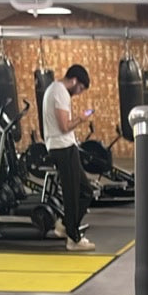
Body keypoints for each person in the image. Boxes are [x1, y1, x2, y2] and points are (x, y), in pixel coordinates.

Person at [42, 64, 95, 252]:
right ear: (74, 81)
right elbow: (64, 126)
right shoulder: (60, 92)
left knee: (85, 191)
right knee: (72, 194)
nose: (79, 93)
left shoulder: (54, 89)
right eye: (80, 88)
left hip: (63, 146)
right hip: (62, 147)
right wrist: (81, 118)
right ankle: (73, 239)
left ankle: (64, 225)